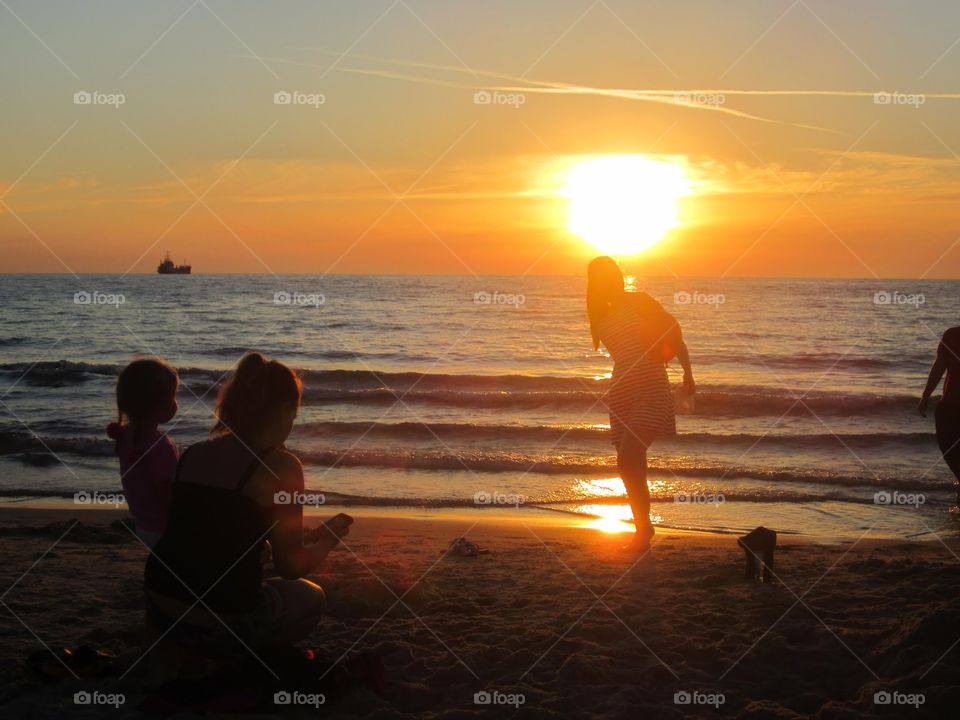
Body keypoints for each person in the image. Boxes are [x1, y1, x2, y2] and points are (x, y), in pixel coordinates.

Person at [143, 353, 350, 677]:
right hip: (217, 624)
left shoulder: (194, 454)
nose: (292, 425)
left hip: (159, 609)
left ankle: (179, 654)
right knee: (311, 598)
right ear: (283, 412)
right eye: (293, 416)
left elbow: (199, 534)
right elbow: (291, 566)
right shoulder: (282, 466)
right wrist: (327, 543)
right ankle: (236, 657)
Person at [587, 256, 694, 552]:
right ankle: (642, 529)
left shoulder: (641, 301)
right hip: (621, 390)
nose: (608, 281)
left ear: (618, 276)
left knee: (627, 460)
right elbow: (623, 354)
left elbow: (672, 332)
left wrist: (687, 370)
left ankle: (644, 530)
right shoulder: (599, 319)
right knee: (634, 464)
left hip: (651, 385)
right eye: (600, 278)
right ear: (594, 284)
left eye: (611, 275)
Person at [107, 357, 179, 548]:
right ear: (158, 404)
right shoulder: (160, 446)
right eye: (173, 397)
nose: (175, 403)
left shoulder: (125, 436)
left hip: (143, 526)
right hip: (165, 530)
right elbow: (167, 497)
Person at [919, 326, 960, 502]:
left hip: (950, 405)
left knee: (950, 449)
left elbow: (939, 366)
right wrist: (926, 395)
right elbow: (940, 367)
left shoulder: (952, 335)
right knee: (948, 448)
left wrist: (926, 396)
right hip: (949, 405)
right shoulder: (952, 335)